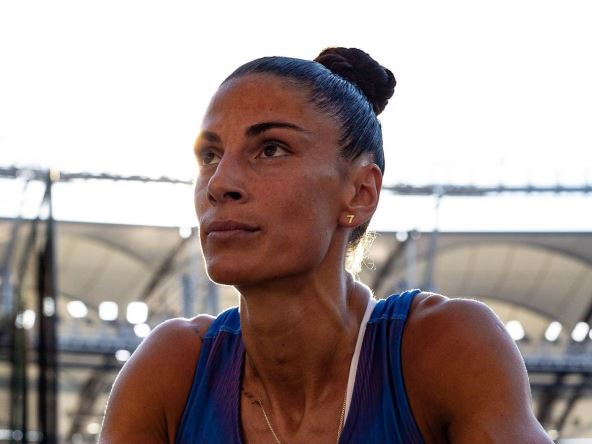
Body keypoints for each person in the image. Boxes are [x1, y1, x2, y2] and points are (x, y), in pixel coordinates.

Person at [100, 47, 552, 443]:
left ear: (360, 193)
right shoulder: (172, 370)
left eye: (271, 149)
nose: (220, 184)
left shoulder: (444, 349)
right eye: (210, 156)